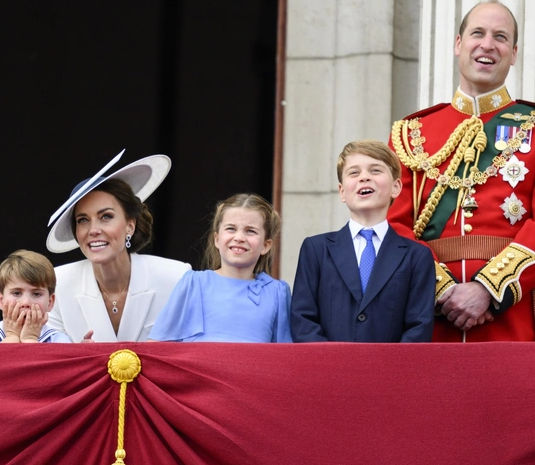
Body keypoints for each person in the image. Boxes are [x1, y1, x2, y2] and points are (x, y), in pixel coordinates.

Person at [388, 0, 535, 341]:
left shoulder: (532, 127)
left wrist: (488, 289)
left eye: (500, 37)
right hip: (430, 320)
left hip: (510, 321)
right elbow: (393, 224)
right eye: (478, 33)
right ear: (458, 44)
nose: (487, 45)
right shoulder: (412, 134)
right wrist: (441, 291)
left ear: (513, 54)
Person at [291, 140, 435, 342]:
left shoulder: (417, 256)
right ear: (342, 191)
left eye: (375, 170)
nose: (364, 177)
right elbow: (302, 318)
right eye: (354, 173)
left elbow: (419, 325)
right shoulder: (316, 250)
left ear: (396, 187)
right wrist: (329, 365)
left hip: (389, 370)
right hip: (329, 369)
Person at [45, 151, 191, 342]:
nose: (93, 230)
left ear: (130, 225)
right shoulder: (57, 284)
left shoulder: (176, 277)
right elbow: (50, 360)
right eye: (83, 220)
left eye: (106, 216)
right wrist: (75, 357)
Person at [148, 193, 292, 342]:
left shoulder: (277, 293)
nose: (239, 238)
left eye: (250, 231)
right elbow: (157, 345)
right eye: (231, 228)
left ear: (266, 245)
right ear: (217, 239)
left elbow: (286, 356)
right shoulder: (193, 283)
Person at [0, 249, 92, 343]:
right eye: (16, 293)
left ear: (50, 302)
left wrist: (30, 339)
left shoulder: (58, 339)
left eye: (36, 294)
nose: (26, 302)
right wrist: (12, 336)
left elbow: (56, 373)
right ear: (1, 300)